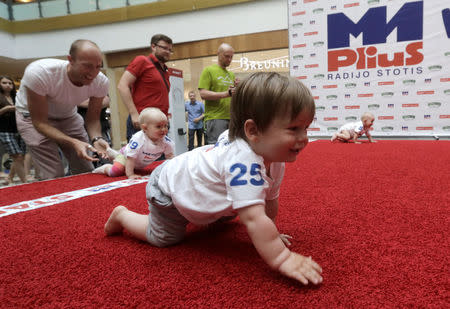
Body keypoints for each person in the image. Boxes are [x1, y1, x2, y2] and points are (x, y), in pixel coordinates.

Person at [104, 72, 323, 286]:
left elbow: (269, 200)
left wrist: (272, 231)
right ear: (253, 130)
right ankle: (123, 215)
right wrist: (281, 257)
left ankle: (208, 214)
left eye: (306, 128)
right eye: (294, 129)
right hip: (168, 189)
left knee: (237, 208)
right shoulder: (243, 161)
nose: (304, 138)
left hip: (197, 183)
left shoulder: (275, 159)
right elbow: (254, 218)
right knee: (165, 238)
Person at [15, 39, 110, 180]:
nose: (93, 73)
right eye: (87, 66)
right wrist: (72, 142)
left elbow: (93, 119)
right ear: (70, 60)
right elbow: (40, 123)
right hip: (31, 118)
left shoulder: (101, 82)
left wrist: (97, 138)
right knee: (53, 174)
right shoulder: (40, 73)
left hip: (67, 117)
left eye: (98, 66)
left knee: (85, 168)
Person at [118, 34, 173, 142]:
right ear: (153, 46)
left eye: (170, 50)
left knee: (161, 157)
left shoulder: (165, 71)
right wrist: (134, 114)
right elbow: (122, 85)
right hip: (143, 122)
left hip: (160, 123)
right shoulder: (142, 61)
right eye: (164, 48)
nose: (168, 52)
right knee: (138, 157)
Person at [93, 108, 174, 179]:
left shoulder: (166, 142)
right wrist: (130, 174)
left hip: (138, 163)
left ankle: (114, 154)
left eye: (165, 126)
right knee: (116, 172)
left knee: (132, 167)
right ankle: (106, 167)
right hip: (125, 156)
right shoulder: (138, 139)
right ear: (145, 128)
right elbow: (130, 158)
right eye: (158, 127)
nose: (164, 129)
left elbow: (170, 157)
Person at [198, 43, 237, 145]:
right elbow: (203, 94)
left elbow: (232, 94)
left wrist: (238, 88)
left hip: (231, 117)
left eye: (231, 57)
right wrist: (226, 93)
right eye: (226, 56)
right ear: (218, 54)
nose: (229, 59)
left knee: (231, 149)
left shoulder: (231, 74)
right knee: (216, 150)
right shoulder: (208, 70)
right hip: (215, 118)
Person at [0, 76, 27, 185]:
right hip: (4, 130)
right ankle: (25, 183)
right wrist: (5, 109)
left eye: (10, 83)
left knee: (20, 157)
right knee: (17, 156)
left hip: (19, 128)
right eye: (4, 83)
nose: (8, 85)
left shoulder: (16, 96)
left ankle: (10, 177)